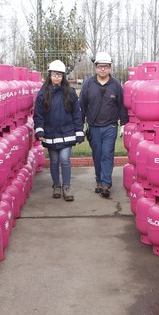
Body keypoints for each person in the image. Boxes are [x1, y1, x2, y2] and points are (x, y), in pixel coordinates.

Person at [34, 60, 84, 202]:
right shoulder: (43, 93)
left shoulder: (70, 93)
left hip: (67, 133)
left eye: (59, 75)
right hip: (50, 133)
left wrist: (79, 132)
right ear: (50, 75)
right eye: (54, 74)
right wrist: (40, 130)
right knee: (54, 161)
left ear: (63, 76)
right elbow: (38, 114)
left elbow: (77, 114)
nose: (57, 77)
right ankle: (56, 185)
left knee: (65, 159)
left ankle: (66, 187)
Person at [80, 51, 129, 198]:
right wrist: (80, 124)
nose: (103, 69)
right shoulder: (88, 84)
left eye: (106, 66)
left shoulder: (116, 85)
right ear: (95, 67)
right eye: (100, 66)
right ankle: (99, 181)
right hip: (93, 127)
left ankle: (106, 184)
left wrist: (124, 124)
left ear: (110, 67)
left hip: (110, 126)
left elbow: (122, 106)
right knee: (97, 155)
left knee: (107, 154)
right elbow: (82, 106)